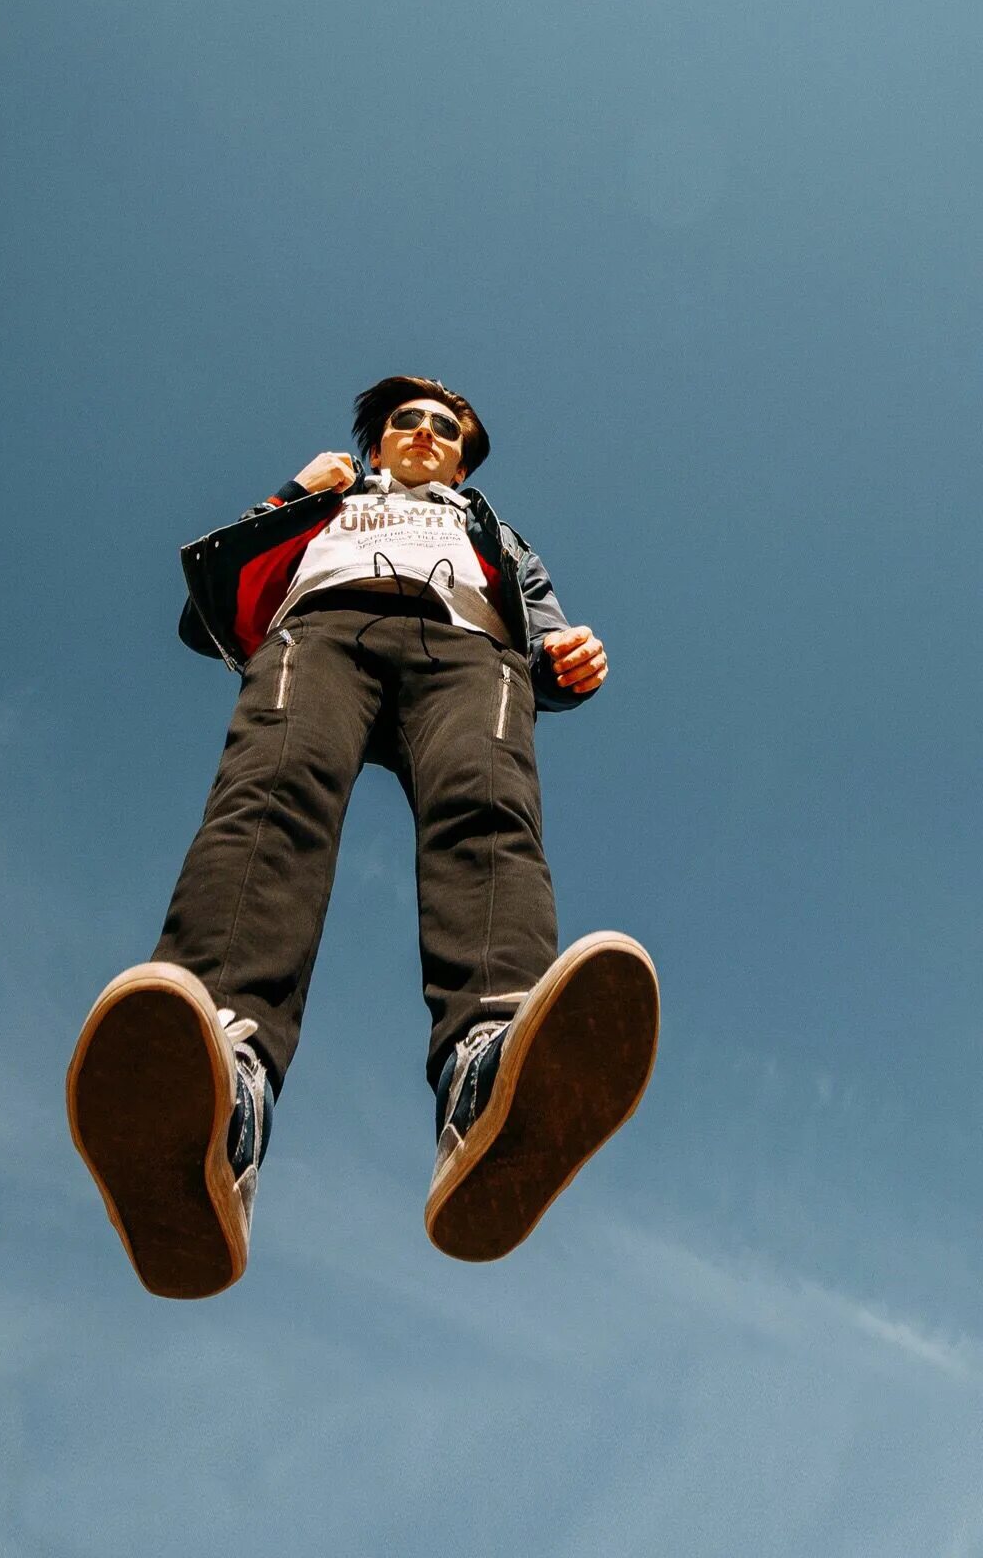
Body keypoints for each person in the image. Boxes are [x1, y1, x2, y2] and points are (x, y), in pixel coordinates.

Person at [67, 375, 659, 1298]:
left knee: (487, 816)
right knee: (269, 804)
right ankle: (222, 1088)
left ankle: (489, 1073)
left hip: (468, 651)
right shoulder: (329, 501)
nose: (424, 433)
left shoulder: (489, 529)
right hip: (322, 634)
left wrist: (564, 658)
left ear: (462, 455)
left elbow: (543, 632)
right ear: (379, 443)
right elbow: (203, 617)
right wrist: (291, 500)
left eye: (445, 428)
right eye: (405, 422)